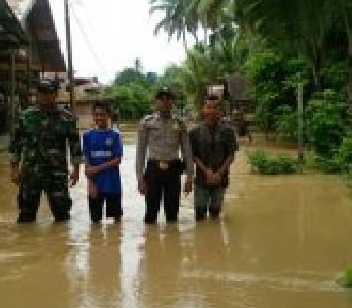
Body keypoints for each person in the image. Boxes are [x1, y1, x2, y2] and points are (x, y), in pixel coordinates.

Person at [8, 79, 82, 223]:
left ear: (55, 94)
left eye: (49, 92)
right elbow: (15, 145)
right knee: (26, 216)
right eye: (41, 92)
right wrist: (14, 169)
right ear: (37, 93)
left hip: (57, 174)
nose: (44, 96)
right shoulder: (25, 117)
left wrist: (76, 170)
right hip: (30, 173)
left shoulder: (67, 118)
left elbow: (75, 145)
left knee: (62, 216)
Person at [136, 87, 194, 223]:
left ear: (172, 102)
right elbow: (140, 152)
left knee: (172, 214)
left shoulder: (180, 123)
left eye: (168, 99)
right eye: (161, 99)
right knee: (150, 212)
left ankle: (173, 242)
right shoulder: (147, 122)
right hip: (153, 170)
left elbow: (187, 151)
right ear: (156, 102)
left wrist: (190, 178)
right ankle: (150, 242)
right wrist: (140, 179)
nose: (165, 102)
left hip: (173, 170)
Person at [189, 94, 238, 221]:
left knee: (215, 215)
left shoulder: (228, 131)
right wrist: (206, 171)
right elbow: (193, 156)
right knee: (199, 216)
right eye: (209, 107)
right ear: (203, 110)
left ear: (220, 111)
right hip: (201, 179)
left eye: (215, 107)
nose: (212, 111)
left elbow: (231, 156)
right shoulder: (194, 131)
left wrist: (218, 173)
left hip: (220, 180)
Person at [82, 101, 123, 223]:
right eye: (96, 115)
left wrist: (97, 168)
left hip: (113, 184)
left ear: (108, 115)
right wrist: (91, 183)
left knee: (116, 223)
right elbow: (87, 162)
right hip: (95, 185)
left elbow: (117, 160)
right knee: (95, 222)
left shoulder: (115, 135)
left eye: (102, 114)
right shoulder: (87, 136)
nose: (98, 117)